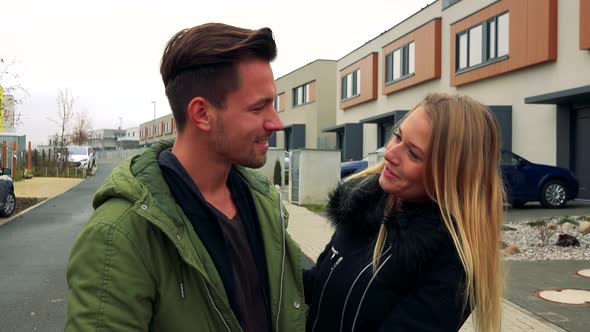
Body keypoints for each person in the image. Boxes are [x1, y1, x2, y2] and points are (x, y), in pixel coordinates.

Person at [66, 23, 307, 331]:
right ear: (202, 114)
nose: (276, 122)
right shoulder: (119, 235)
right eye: (259, 107)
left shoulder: (264, 203)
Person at [304, 93, 505, 332]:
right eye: (397, 137)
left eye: (413, 154)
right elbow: (319, 285)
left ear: (450, 177)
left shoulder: (451, 262)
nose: (389, 153)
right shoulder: (361, 207)